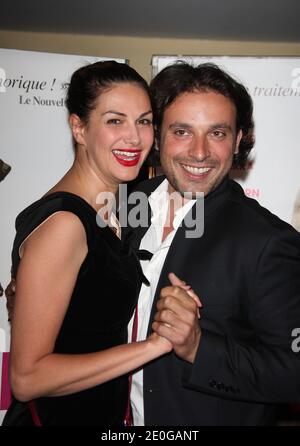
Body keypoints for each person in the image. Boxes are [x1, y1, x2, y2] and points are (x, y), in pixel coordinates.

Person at [2, 60, 177, 426]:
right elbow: (26, 378)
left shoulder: (113, 209)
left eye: (144, 121)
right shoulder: (66, 223)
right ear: (78, 127)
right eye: (115, 121)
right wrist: (154, 345)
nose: (134, 137)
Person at [125, 62, 300, 426]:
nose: (200, 152)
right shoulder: (124, 206)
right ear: (157, 137)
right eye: (182, 131)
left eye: (217, 133)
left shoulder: (268, 240)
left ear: (238, 141)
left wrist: (199, 348)